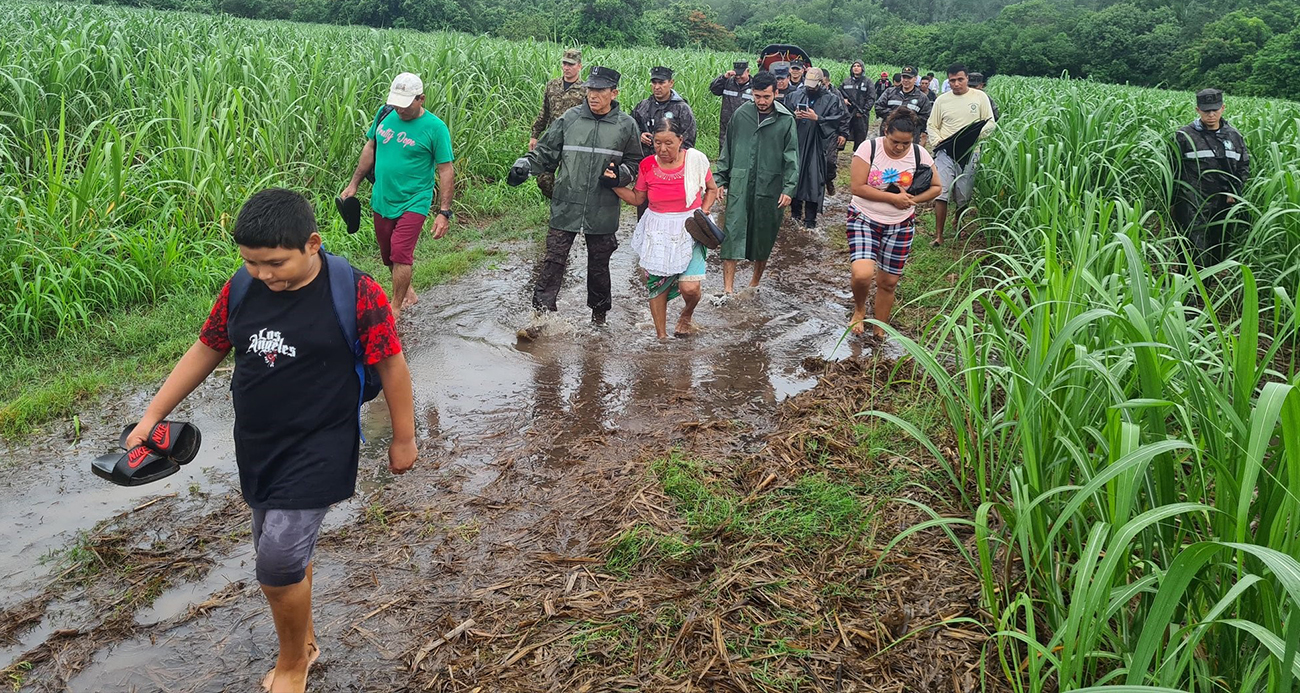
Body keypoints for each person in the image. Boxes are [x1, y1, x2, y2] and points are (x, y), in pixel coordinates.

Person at [125, 188, 416, 693]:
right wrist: (153, 413)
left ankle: (293, 663)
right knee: (282, 555)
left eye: (275, 263)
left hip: (321, 442)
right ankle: (304, 636)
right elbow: (208, 347)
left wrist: (404, 438)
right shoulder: (241, 287)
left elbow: (391, 364)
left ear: (312, 244)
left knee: (277, 564)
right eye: (252, 264)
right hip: (258, 443)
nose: (264, 275)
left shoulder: (355, 292)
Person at [506, 66, 643, 324]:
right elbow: (546, 152)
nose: (593, 95)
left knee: (599, 264)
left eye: (600, 90)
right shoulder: (570, 118)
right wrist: (525, 165)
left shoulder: (626, 125)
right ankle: (540, 317)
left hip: (602, 207)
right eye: (591, 89)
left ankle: (599, 317)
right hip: (566, 203)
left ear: (614, 92)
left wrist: (622, 174)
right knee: (554, 260)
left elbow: (636, 162)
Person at [340, 72, 455, 323]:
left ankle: (395, 309)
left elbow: (446, 169)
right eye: (395, 103)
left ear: (421, 99)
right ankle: (409, 293)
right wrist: (353, 184)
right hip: (382, 196)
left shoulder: (435, 128)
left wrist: (443, 211)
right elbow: (371, 147)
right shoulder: (385, 114)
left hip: (415, 199)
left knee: (401, 253)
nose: (399, 109)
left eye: (404, 104)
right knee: (388, 255)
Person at [609, 119, 720, 338]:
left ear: (681, 140)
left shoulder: (695, 160)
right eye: (657, 143)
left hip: (690, 228)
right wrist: (612, 186)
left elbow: (711, 189)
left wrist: (704, 211)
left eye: (669, 143)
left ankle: (686, 314)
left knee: (691, 288)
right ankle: (662, 338)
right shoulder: (648, 164)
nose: (662, 149)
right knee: (657, 284)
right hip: (657, 228)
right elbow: (637, 198)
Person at [846, 110, 941, 338]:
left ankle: (880, 327)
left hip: (900, 224)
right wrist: (893, 198)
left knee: (888, 282)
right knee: (862, 273)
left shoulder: (920, 155)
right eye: (895, 141)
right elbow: (857, 187)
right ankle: (859, 310)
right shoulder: (868, 149)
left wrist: (912, 200)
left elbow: (937, 187)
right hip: (864, 217)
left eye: (905, 143)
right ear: (885, 132)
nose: (899, 148)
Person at [715, 70, 798, 295]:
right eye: (757, 96)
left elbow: (791, 156)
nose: (761, 102)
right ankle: (728, 290)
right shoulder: (741, 115)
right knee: (732, 232)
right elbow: (728, 149)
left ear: (776, 94)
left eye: (766, 97)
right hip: (740, 184)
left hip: (770, 186)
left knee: (764, 234)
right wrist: (720, 179)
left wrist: (789, 188)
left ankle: (754, 284)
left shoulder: (785, 120)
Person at [1171, 88, 1250, 267]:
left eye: (1215, 109)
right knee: (1192, 250)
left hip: (1223, 203)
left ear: (1223, 108)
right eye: (1206, 110)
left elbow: (1243, 166)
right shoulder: (1184, 136)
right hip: (1192, 202)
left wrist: (1233, 191)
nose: (1211, 114)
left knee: (1218, 249)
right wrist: (1173, 201)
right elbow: (1172, 168)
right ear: (1198, 110)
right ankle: (1190, 290)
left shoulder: (1234, 136)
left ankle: (1208, 289)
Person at [927, 63, 997, 246]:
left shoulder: (980, 97)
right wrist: (937, 142)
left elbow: (990, 123)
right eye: (952, 80)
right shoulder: (942, 100)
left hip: (970, 151)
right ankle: (939, 235)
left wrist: (973, 137)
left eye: (960, 79)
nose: (956, 84)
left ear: (967, 79)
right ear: (948, 81)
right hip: (946, 151)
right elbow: (932, 125)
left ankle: (959, 221)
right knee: (941, 192)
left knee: (963, 193)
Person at [632, 66, 698, 218]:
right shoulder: (643, 106)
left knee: (670, 213)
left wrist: (669, 154)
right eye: (654, 82)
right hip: (647, 170)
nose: (657, 87)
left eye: (661, 83)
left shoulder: (682, 109)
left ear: (671, 83)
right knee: (644, 214)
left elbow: (688, 143)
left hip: (672, 172)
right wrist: (640, 135)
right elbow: (630, 128)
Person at [788, 67, 847, 229]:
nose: (810, 88)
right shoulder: (795, 95)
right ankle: (794, 215)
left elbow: (836, 120)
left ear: (821, 83)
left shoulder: (832, 99)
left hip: (818, 147)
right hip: (798, 144)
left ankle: (810, 221)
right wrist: (794, 115)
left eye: (814, 85)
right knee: (796, 178)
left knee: (813, 180)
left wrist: (818, 118)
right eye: (808, 84)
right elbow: (783, 115)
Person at [528, 49, 588, 198]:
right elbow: (544, 113)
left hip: (574, 141)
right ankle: (558, 201)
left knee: (569, 179)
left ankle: (566, 209)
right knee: (543, 179)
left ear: (579, 66)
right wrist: (535, 135)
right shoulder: (552, 85)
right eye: (564, 64)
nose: (566, 68)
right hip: (553, 139)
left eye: (571, 64)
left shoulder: (586, 89)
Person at [874, 66, 931, 141]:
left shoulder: (922, 98)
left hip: (910, 137)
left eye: (909, 78)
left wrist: (908, 118)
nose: (906, 80)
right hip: (888, 134)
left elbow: (926, 117)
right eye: (904, 77)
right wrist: (895, 115)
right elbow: (878, 107)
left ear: (915, 79)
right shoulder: (889, 92)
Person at [709, 60, 753, 152]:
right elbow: (714, 89)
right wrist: (724, 77)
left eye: (741, 75)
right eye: (736, 75)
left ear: (748, 71)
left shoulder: (755, 85)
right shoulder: (727, 83)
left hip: (747, 125)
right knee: (725, 151)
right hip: (727, 125)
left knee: (744, 152)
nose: (738, 77)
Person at [841, 60, 876, 150]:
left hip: (861, 115)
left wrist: (864, 111)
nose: (856, 68)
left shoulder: (868, 82)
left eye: (858, 66)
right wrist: (843, 100)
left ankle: (858, 157)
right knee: (842, 135)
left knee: (860, 139)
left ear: (862, 68)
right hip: (847, 113)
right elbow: (838, 93)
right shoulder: (846, 81)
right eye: (854, 66)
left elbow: (871, 98)